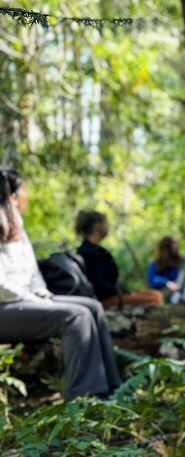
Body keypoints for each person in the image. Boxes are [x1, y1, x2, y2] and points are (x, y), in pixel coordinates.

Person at [0, 169, 121, 399]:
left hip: (26, 300)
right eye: (24, 189)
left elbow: (32, 273)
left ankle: (113, 388)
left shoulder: (17, 227)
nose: (27, 194)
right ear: (12, 196)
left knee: (92, 307)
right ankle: (84, 396)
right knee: (76, 316)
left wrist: (42, 296)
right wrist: (31, 299)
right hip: (5, 307)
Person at [75, 210, 164, 307]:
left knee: (155, 294)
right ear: (97, 226)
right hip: (102, 300)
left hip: (113, 295)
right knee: (154, 299)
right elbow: (98, 285)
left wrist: (127, 292)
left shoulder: (100, 251)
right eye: (105, 223)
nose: (108, 226)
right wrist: (121, 293)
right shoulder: (87, 252)